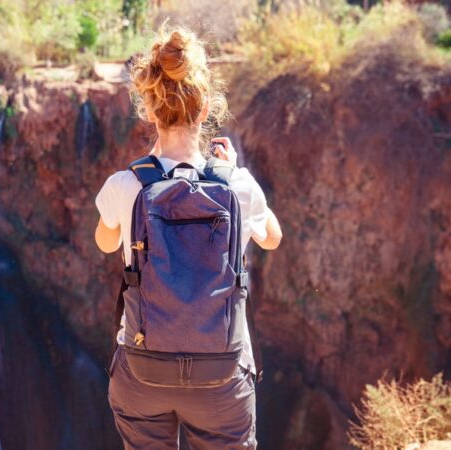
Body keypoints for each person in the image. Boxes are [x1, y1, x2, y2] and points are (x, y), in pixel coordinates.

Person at [94, 24, 282, 449]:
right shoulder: (237, 185)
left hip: (142, 372)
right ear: (204, 110)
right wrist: (235, 170)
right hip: (222, 373)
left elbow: (106, 243)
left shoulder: (126, 185)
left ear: (148, 108)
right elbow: (271, 237)